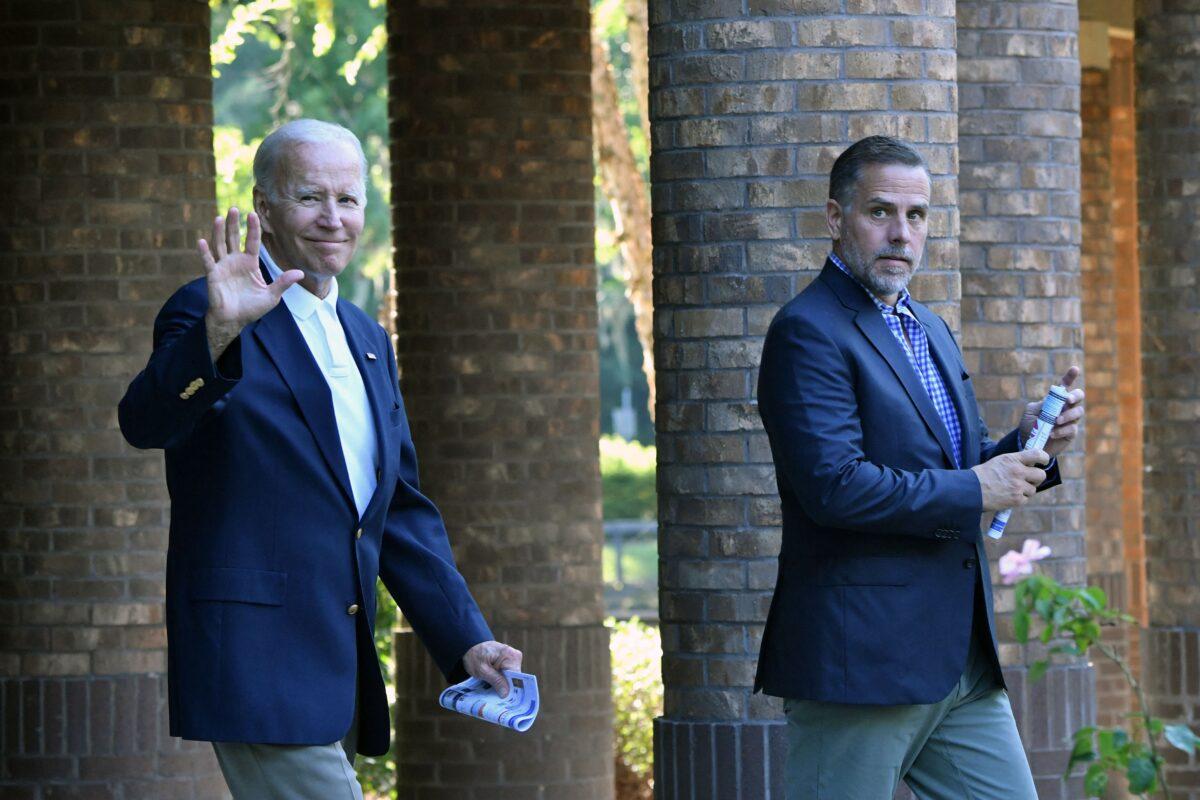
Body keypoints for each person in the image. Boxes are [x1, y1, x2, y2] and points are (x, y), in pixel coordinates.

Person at [119, 119, 522, 799]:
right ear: (265, 207)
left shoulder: (368, 337)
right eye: (310, 198)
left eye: (349, 199)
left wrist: (465, 642)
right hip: (252, 658)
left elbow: (395, 515)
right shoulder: (210, 310)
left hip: (336, 667)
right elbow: (145, 422)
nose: (333, 218)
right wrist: (219, 331)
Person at [754, 135, 1085, 800]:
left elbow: (957, 471)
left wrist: (1030, 446)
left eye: (917, 215)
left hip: (958, 663)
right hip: (862, 664)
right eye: (880, 212)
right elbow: (834, 488)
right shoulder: (808, 332)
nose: (901, 233)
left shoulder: (927, 327)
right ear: (835, 217)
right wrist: (975, 485)